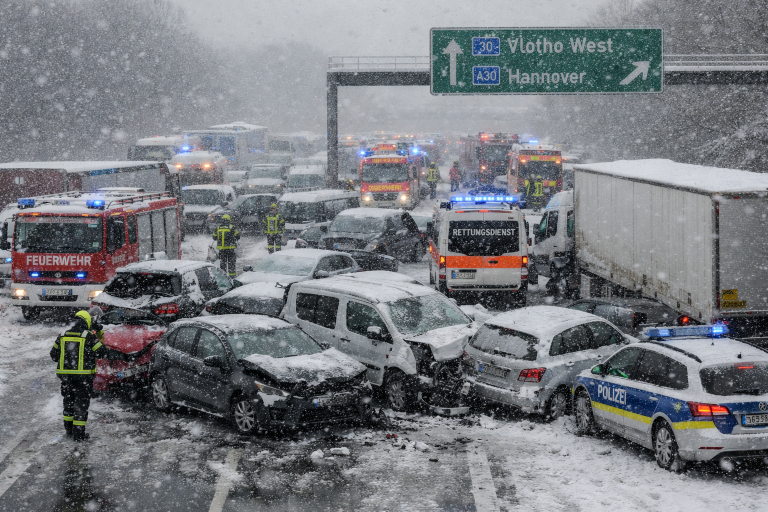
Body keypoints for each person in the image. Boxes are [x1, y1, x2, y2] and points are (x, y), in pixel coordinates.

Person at [50, 307, 150, 441]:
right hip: (83, 377)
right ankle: (79, 434)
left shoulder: (62, 336)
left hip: (66, 378)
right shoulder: (88, 337)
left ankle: (68, 429)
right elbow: (102, 352)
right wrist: (123, 356)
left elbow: (54, 355)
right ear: (86, 322)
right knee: (81, 404)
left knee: (68, 402)